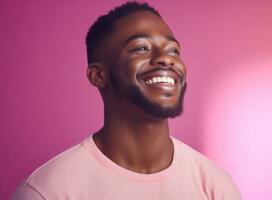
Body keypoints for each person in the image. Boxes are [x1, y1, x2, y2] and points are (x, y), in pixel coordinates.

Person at [10, 2, 241, 199]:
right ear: (98, 75)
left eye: (173, 50)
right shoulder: (47, 191)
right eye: (141, 48)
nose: (165, 59)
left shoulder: (215, 186)